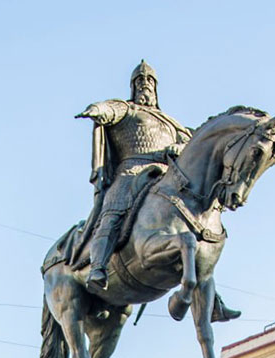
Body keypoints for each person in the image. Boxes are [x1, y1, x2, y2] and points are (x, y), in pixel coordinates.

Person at [76, 60, 192, 290]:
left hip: (165, 174)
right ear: (133, 86)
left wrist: (179, 149)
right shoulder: (127, 109)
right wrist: (98, 110)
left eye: (149, 81)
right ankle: (98, 267)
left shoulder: (170, 123)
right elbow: (109, 110)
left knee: (197, 212)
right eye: (140, 81)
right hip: (131, 172)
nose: (145, 84)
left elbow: (190, 144)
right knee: (113, 211)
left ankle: (208, 288)